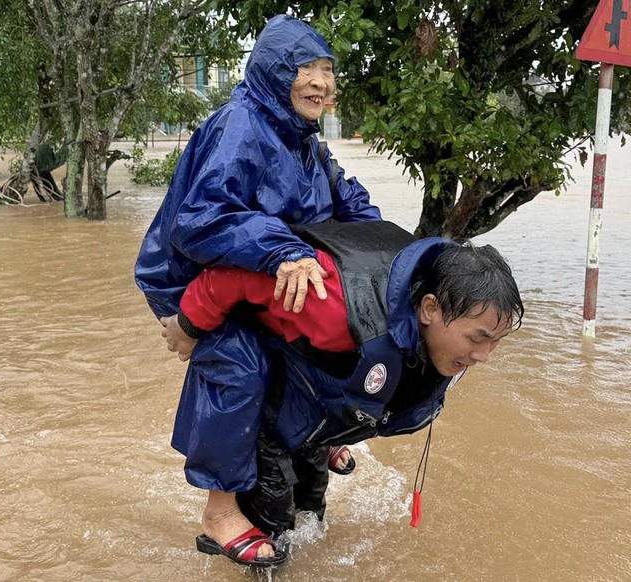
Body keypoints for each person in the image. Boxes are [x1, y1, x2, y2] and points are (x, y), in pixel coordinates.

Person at [134, 14, 381, 568]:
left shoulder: (304, 141)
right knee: (244, 367)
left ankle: (317, 431)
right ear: (275, 72)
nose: (322, 82)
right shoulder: (240, 126)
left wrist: (388, 254)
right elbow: (200, 221)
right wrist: (283, 249)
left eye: (328, 70)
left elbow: (352, 205)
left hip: (265, 278)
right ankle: (220, 511)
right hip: (193, 276)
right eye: (307, 69)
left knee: (327, 337)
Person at [162, 220, 524, 565]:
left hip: (311, 386)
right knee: (273, 532)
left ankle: (325, 442)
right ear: (429, 308)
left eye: (495, 342)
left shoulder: (440, 343)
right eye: (478, 338)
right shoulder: (333, 301)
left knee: (311, 515)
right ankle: (221, 517)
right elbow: (233, 277)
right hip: (262, 373)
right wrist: (189, 325)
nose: (484, 356)